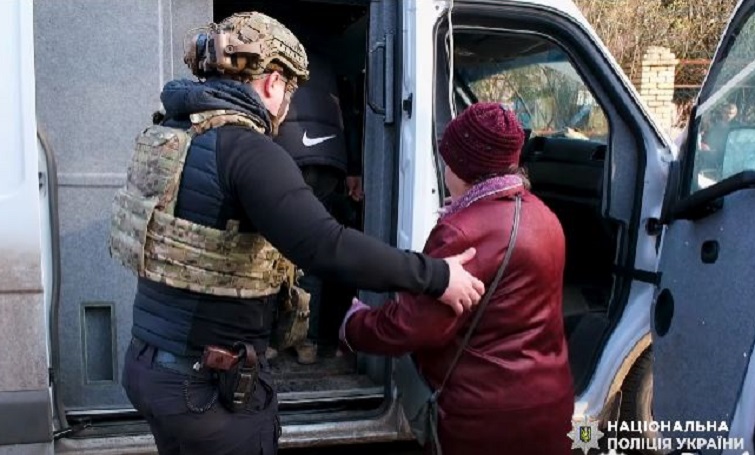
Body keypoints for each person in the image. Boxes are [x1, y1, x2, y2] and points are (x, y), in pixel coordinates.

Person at [109, 12, 484, 455]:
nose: (287, 105)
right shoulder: (247, 148)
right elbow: (326, 246)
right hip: (206, 392)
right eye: (290, 90)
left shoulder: (172, 132)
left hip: (150, 367)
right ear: (272, 82)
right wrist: (436, 276)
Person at [339, 103, 574, 455]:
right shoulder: (545, 217)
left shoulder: (462, 232)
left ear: (462, 167)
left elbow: (414, 326)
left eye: (447, 159)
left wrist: (353, 325)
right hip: (551, 407)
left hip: (484, 422)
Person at [272, 51, 361, 364]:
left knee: (273, 251)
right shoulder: (330, 66)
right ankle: (306, 342)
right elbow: (349, 117)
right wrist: (353, 168)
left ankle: (274, 339)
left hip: (287, 156)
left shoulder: (274, 59)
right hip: (328, 164)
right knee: (311, 251)